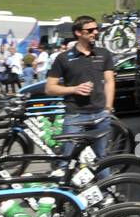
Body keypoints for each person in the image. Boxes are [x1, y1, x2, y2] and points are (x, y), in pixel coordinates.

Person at [45, 15, 115, 164]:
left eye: (97, 29)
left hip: (101, 115)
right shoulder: (63, 58)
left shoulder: (103, 54)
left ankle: (106, 187)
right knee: (67, 160)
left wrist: (108, 108)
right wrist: (73, 89)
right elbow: (49, 88)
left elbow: (109, 81)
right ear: (78, 33)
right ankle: (69, 187)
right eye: (90, 30)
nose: (95, 32)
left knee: (101, 160)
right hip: (75, 117)